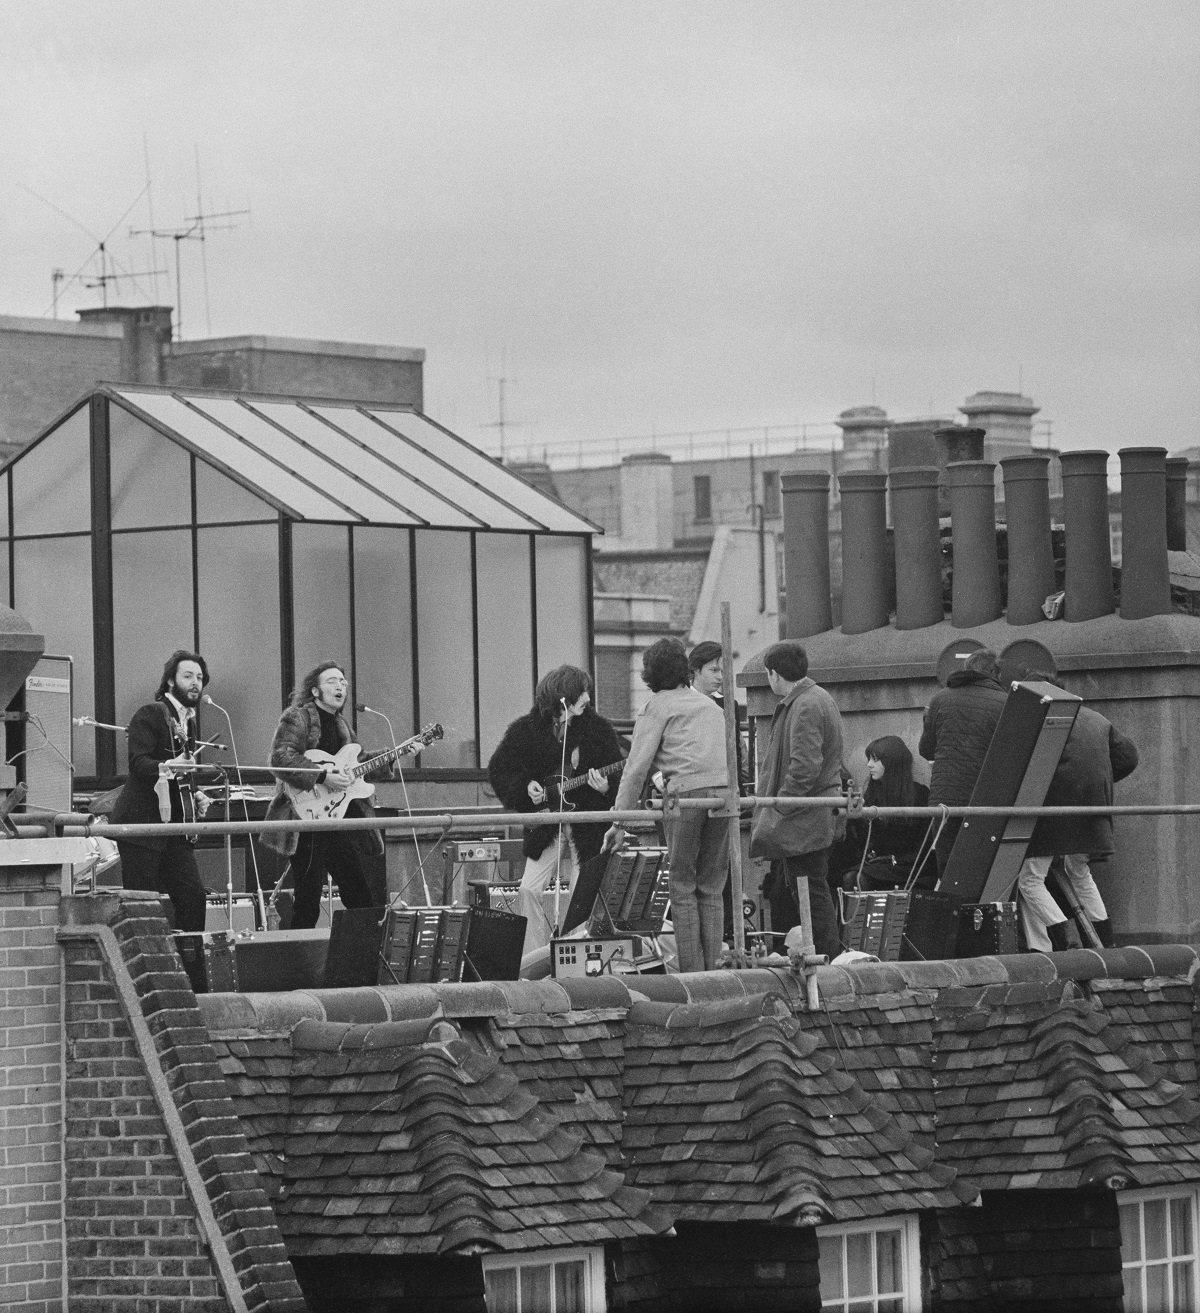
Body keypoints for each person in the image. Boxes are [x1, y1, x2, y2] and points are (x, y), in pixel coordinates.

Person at [604, 638, 729, 973]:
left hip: (686, 797)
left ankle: (692, 974)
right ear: (686, 671)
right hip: (724, 798)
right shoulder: (710, 706)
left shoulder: (658, 706)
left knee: (682, 885)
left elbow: (635, 770)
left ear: (650, 675)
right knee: (712, 887)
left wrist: (619, 823)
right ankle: (716, 971)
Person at [488, 666, 623, 959]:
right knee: (528, 890)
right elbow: (499, 769)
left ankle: (575, 963)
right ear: (563, 699)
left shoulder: (598, 730)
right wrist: (525, 787)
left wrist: (604, 790)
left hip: (586, 824)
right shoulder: (525, 729)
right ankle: (534, 959)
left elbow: (619, 775)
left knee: (580, 895)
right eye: (581, 693)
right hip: (546, 822)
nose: (588, 698)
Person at [263, 662, 394, 929]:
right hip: (305, 818)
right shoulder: (298, 717)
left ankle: (364, 955)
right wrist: (322, 776)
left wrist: (394, 754)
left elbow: (356, 765)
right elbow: (280, 757)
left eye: (343, 683)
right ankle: (299, 963)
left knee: (359, 892)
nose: (340, 687)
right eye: (332, 681)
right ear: (315, 690)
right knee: (308, 897)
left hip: (337, 818)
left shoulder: (343, 725)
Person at [1016, 670, 1138, 951]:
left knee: (1030, 879)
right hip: (1095, 806)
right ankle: (1103, 943)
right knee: (1079, 871)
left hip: (1054, 811)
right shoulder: (1097, 718)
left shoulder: (1040, 718)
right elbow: (1129, 757)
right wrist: (1101, 782)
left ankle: (1065, 938)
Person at [751, 641, 844, 959]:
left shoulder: (804, 704)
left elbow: (804, 767)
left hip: (805, 815)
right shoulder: (816, 699)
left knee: (809, 889)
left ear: (774, 674)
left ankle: (826, 957)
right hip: (812, 812)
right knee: (808, 886)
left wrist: (781, 805)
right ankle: (824, 954)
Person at [110, 649, 212, 934]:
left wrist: (196, 793)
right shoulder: (151, 713)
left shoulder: (189, 721)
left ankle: (190, 968)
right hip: (142, 826)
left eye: (200, 678)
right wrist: (170, 766)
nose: (195, 683)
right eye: (188, 676)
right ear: (170, 681)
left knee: (193, 898)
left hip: (173, 827)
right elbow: (138, 763)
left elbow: (183, 771)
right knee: (143, 905)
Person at [918, 648, 1008, 877]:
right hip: (986, 799)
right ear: (994, 673)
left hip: (944, 799)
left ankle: (952, 910)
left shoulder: (940, 698)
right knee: (983, 872)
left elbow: (926, 749)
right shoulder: (1005, 703)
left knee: (948, 870)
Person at [688, 639, 752, 943]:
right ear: (695, 671)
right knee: (688, 873)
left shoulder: (727, 704)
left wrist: (735, 785)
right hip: (688, 793)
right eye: (714, 670)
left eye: (723, 670)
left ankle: (723, 937)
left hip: (721, 792)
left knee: (719, 870)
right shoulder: (680, 702)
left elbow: (736, 756)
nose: (719, 676)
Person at [838, 735, 934, 891]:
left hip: (909, 866)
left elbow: (924, 842)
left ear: (892, 763)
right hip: (878, 864)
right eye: (869, 759)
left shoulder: (919, 794)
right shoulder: (872, 794)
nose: (869, 765)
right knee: (849, 875)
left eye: (875, 760)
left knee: (856, 878)